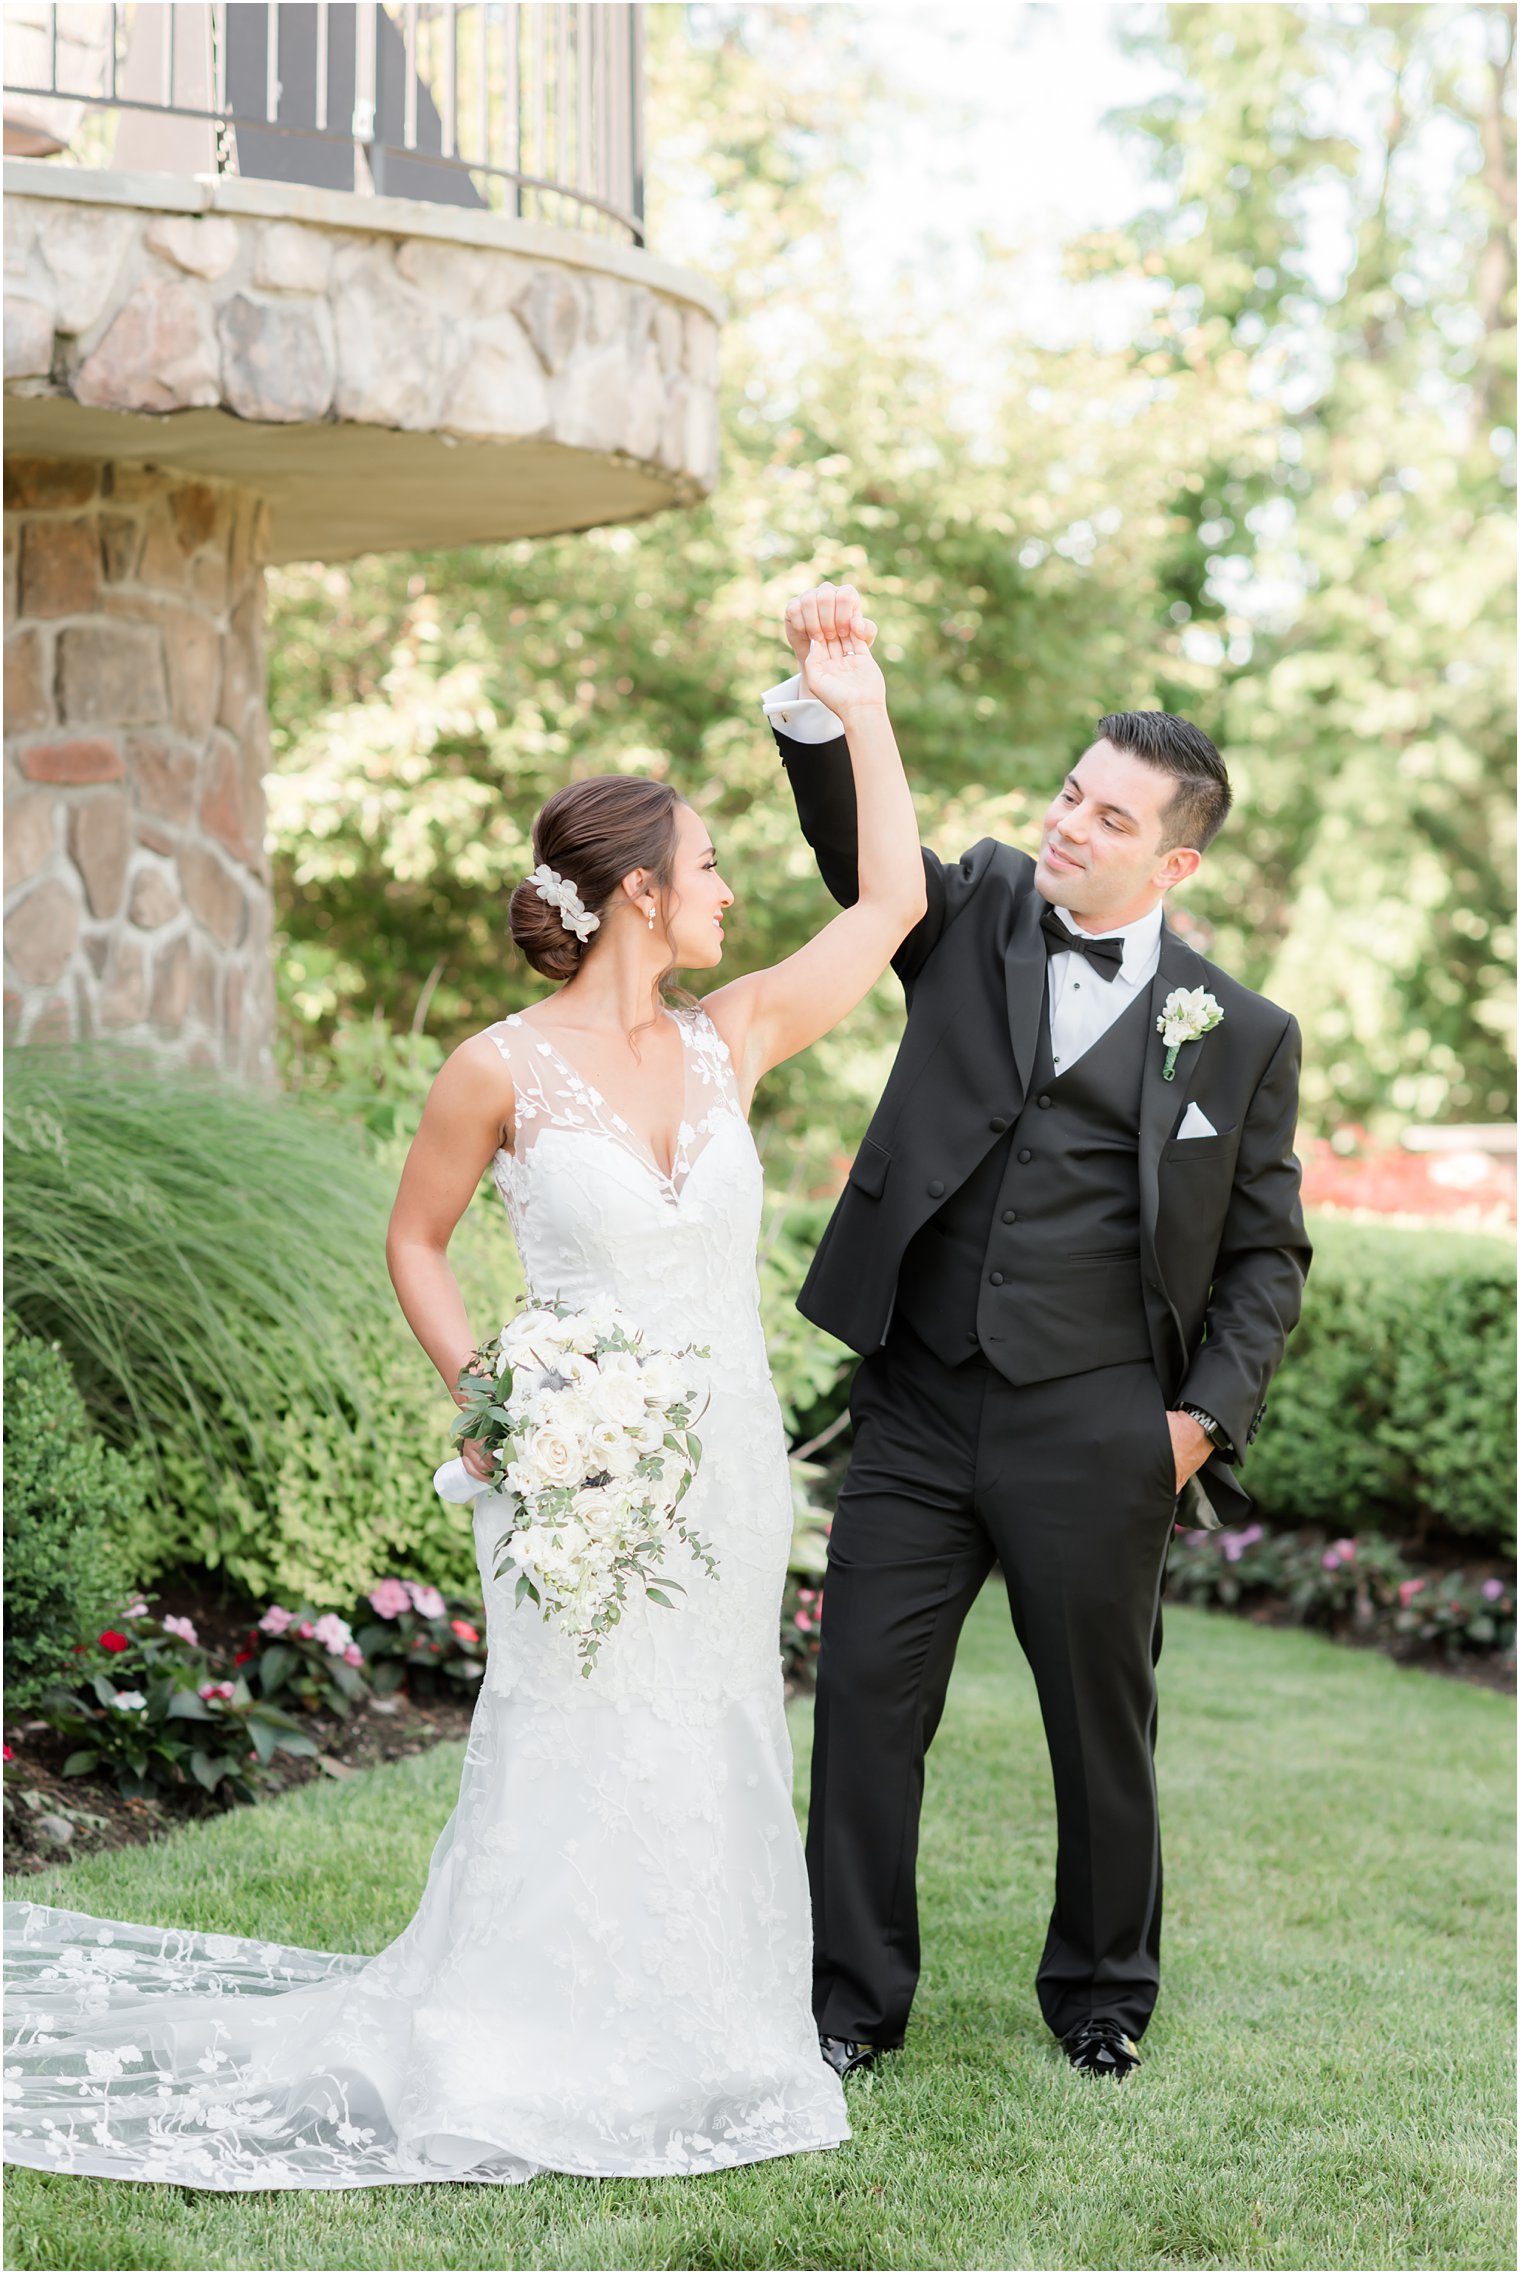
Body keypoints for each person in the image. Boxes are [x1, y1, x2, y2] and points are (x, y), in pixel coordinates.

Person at [2, 612, 926, 2189]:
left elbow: (896, 900)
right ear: (640, 890)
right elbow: (415, 1241)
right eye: (706, 869)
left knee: (709, 1730)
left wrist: (864, 711)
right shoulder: (495, 1068)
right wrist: (504, 1405)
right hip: (563, 1473)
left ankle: (707, 2031)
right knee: (572, 1733)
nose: (725, 894)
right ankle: (519, 2036)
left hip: (721, 1471)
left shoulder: (735, 1039)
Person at [764, 581, 1311, 2084]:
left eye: (1110, 816)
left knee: (1100, 1725)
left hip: (1100, 1420)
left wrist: (1194, 1424)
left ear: (1175, 856)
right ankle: (849, 2002)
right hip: (924, 1396)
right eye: (1072, 791)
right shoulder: (985, 905)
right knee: (867, 1703)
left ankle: (1102, 1991)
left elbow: (1268, 1250)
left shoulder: (1242, 1031)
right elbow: (852, 857)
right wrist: (828, 706)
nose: (1071, 823)